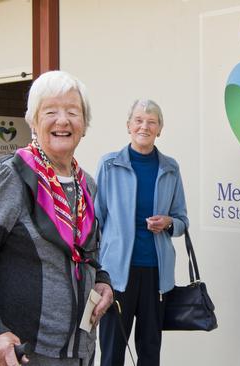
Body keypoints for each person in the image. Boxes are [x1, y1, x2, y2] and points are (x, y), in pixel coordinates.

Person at [0, 70, 113, 366]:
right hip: (26, 355)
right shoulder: (10, 177)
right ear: (34, 121)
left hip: (81, 352)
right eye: (51, 111)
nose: (62, 120)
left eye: (72, 112)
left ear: (84, 125)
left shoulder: (86, 184)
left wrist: (102, 281)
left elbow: (86, 252)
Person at [96, 99, 189, 366]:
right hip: (115, 275)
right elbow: (95, 220)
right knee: (112, 350)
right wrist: (94, 270)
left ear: (160, 129)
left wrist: (169, 222)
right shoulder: (109, 165)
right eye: (138, 120)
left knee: (150, 351)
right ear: (128, 126)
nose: (144, 126)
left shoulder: (170, 168)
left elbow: (183, 221)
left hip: (156, 275)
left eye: (151, 122)